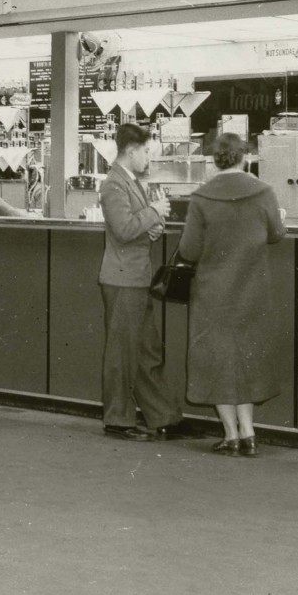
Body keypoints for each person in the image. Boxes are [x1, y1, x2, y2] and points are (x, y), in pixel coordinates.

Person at [177, 133, 286, 456]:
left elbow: (188, 249)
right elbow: (276, 234)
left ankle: (231, 435)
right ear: (245, 157)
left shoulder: (201, 197)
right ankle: (249, 432)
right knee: (247, 357)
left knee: (218, 360)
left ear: (214, 160)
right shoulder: (263, 191)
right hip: (253, 290)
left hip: (213, 291)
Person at [96, 122, 182, 441]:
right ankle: (117, 419)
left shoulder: (131, 182)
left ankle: (164, 417)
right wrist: (155, 212)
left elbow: (135, 228)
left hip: (134, 277)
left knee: (147, 351)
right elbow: (122, 229)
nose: (149, 158)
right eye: (146, 152)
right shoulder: (113, 185)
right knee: (123, 353)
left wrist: (152, 225)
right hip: (122, 279)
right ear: (131, 151)